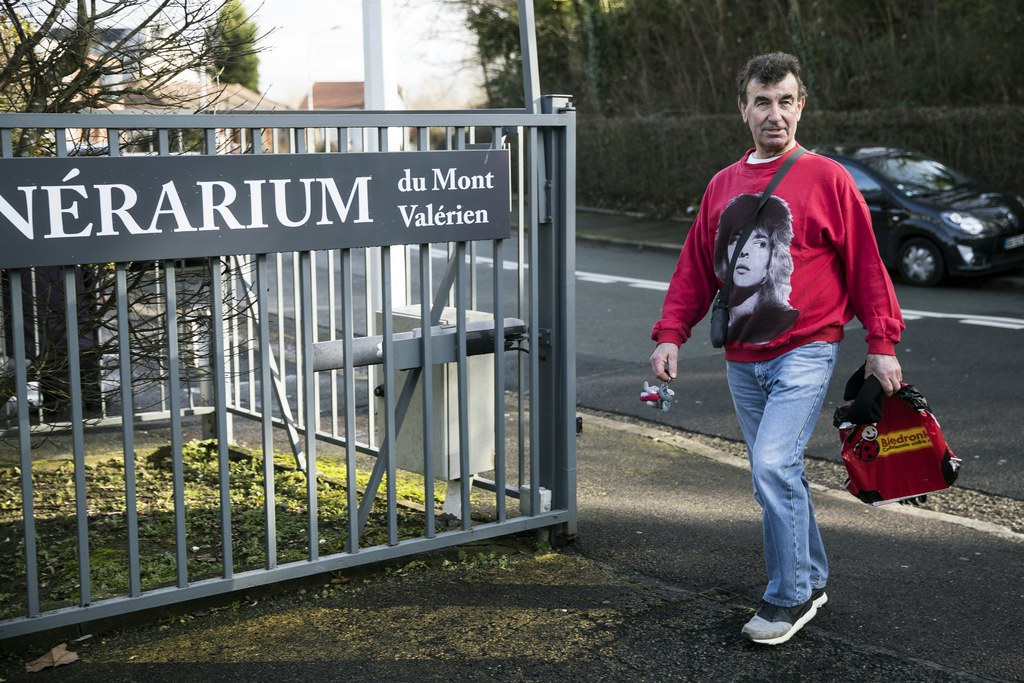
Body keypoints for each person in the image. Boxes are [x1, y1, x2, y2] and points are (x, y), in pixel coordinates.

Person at [649, 52, 904, 646]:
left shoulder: (828, 178)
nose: (775, 113)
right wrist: (670, 333)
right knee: (778, 472)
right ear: (743, 109)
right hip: (742, 359)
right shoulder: (722, 185)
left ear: (801, 105)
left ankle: (788, 597)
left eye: (785, 101)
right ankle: (810, 576)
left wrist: (882, 345)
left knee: (770, 466)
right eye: (762, 102)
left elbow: (867, 266)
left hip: (805, 347)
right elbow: (696, 271)